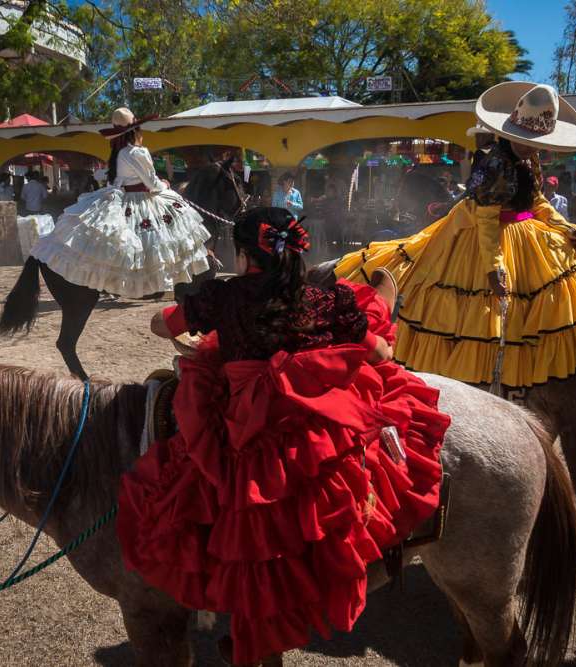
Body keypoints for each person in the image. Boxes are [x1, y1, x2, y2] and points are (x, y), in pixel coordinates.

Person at [118, 207, 449, 666]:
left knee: (213, 501)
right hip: (306, 431)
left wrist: (181, 317)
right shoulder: (321, 300)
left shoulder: (223, 297)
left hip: (239, 432)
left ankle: (242, 622)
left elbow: (161, 325)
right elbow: (380, 351)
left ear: (243, 256)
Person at [334, 82, 576, 389]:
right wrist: (494, 267)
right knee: (467, 306)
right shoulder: (495, 163)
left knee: (538, 297)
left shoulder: (530, 158)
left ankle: (516, 378)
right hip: (480, 237)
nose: (533, 145)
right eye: (527, 139)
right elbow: (487, 219)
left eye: (538, 140)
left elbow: (537, 203)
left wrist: (566, 228)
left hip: (521, 233)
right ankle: (469, 378)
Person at [30, 107, 211, 298]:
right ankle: (158, 284)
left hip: (123, 196)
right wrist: (165, 185)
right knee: (164, 235)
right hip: (141, 198)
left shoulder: (119, 152)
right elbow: (151, 183)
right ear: (135, 130)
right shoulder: (136, 152)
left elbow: (119, 180)